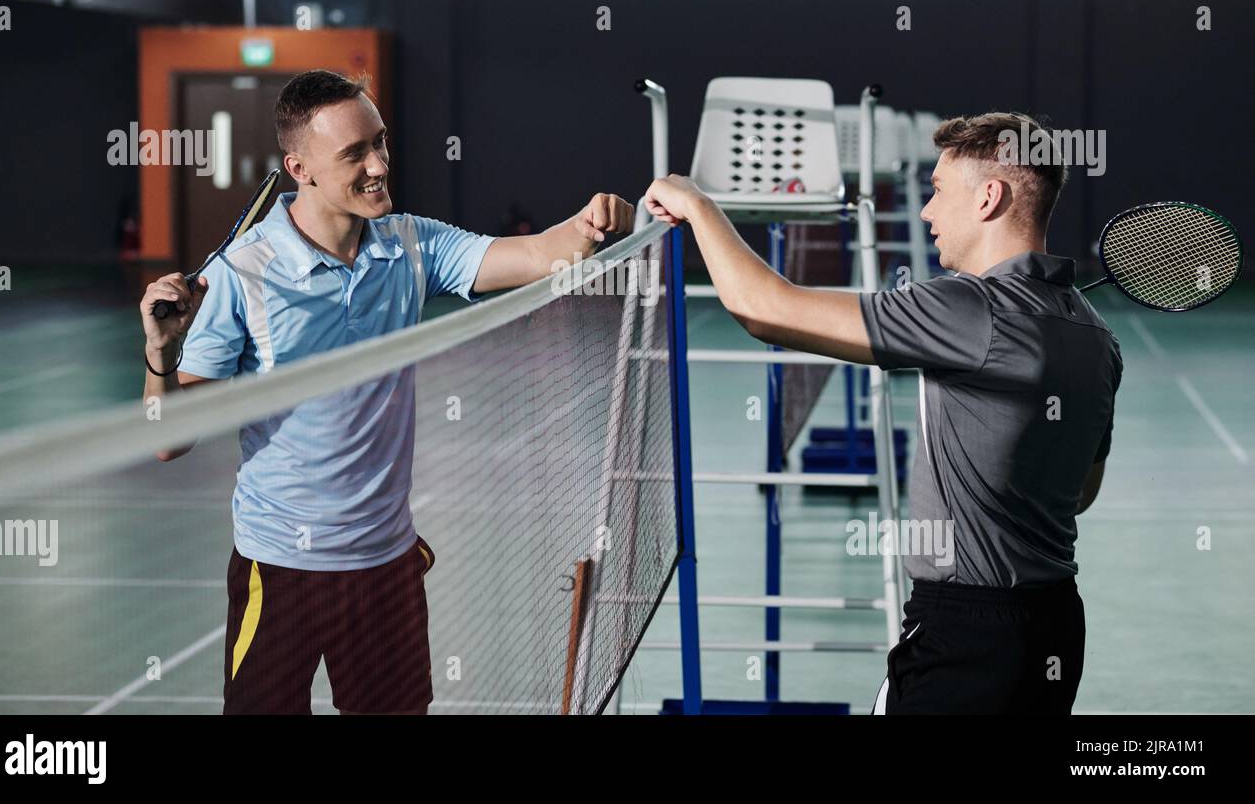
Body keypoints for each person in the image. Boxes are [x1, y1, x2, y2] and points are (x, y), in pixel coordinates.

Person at [139, 69, 634, 714]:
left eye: (380, 143)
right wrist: (160, 355)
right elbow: (166, 443)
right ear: (301, 168)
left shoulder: (410, 246)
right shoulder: (243, 275)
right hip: (281, 566)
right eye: (353, 154)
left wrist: (597, 222)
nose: (378, 165)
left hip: (385, 565)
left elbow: (541, 255)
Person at [644, 112, 1122, 714]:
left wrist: (698, 204)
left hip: (963, 637)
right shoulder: (1095, 334)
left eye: (939, 192)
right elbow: (1081, 491)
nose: (926, 212)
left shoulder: (967, 309)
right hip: (1053, 627)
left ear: (989, 198)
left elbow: (763, 308)